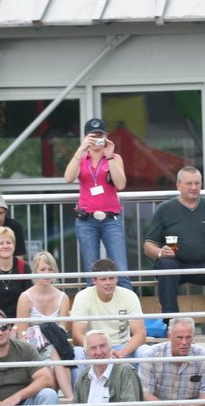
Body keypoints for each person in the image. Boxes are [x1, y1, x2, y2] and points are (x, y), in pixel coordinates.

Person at [143, 166, 205, 337]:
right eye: (189, 183)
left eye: (197, 183)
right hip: (175, 264)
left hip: (204, 263)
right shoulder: (165, 209)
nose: (194, 187)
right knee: (165, 264)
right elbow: (148, 245)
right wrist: (160, 252)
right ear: (178, 185)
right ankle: (171, 323)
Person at [63, 117, 132, 290]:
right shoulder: (81, 158)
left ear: (106, 137)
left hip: (111, 219)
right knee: (91, 273)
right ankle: (92, 315)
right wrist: (81, 149)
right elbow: (68, 178)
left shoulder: (115, 157)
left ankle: (129, 314)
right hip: (86, 220)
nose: (96, 140)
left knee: (121, 271)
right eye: (92, 136)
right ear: (86, 137)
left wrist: (109, 157)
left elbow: (121, 184)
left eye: (100, 136)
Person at [16, 251, 74, 399]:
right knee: (54, 356)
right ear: (35, 272)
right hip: (32, 345)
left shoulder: (63, 297)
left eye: (50, 269)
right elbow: (22, 335)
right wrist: (43, 336)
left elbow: (63, 329)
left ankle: (66, 400)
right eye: (42, 269)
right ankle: (71, 399)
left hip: (57, 344)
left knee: (54, 357)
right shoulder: (25, 297)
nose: (47, 273)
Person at [71, 258, 150, 363]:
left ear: (117, 278)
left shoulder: (129, 295)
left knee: (145, 351)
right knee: (77, 352)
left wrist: (121, 353)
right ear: (94, 280)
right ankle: (82, 380)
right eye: (103, 279)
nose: (108, 283)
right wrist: (100, 350)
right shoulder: (83, 296)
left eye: (111, 278)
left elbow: (140, 334)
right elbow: (76, 336)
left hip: (122, 347)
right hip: (95, 347)